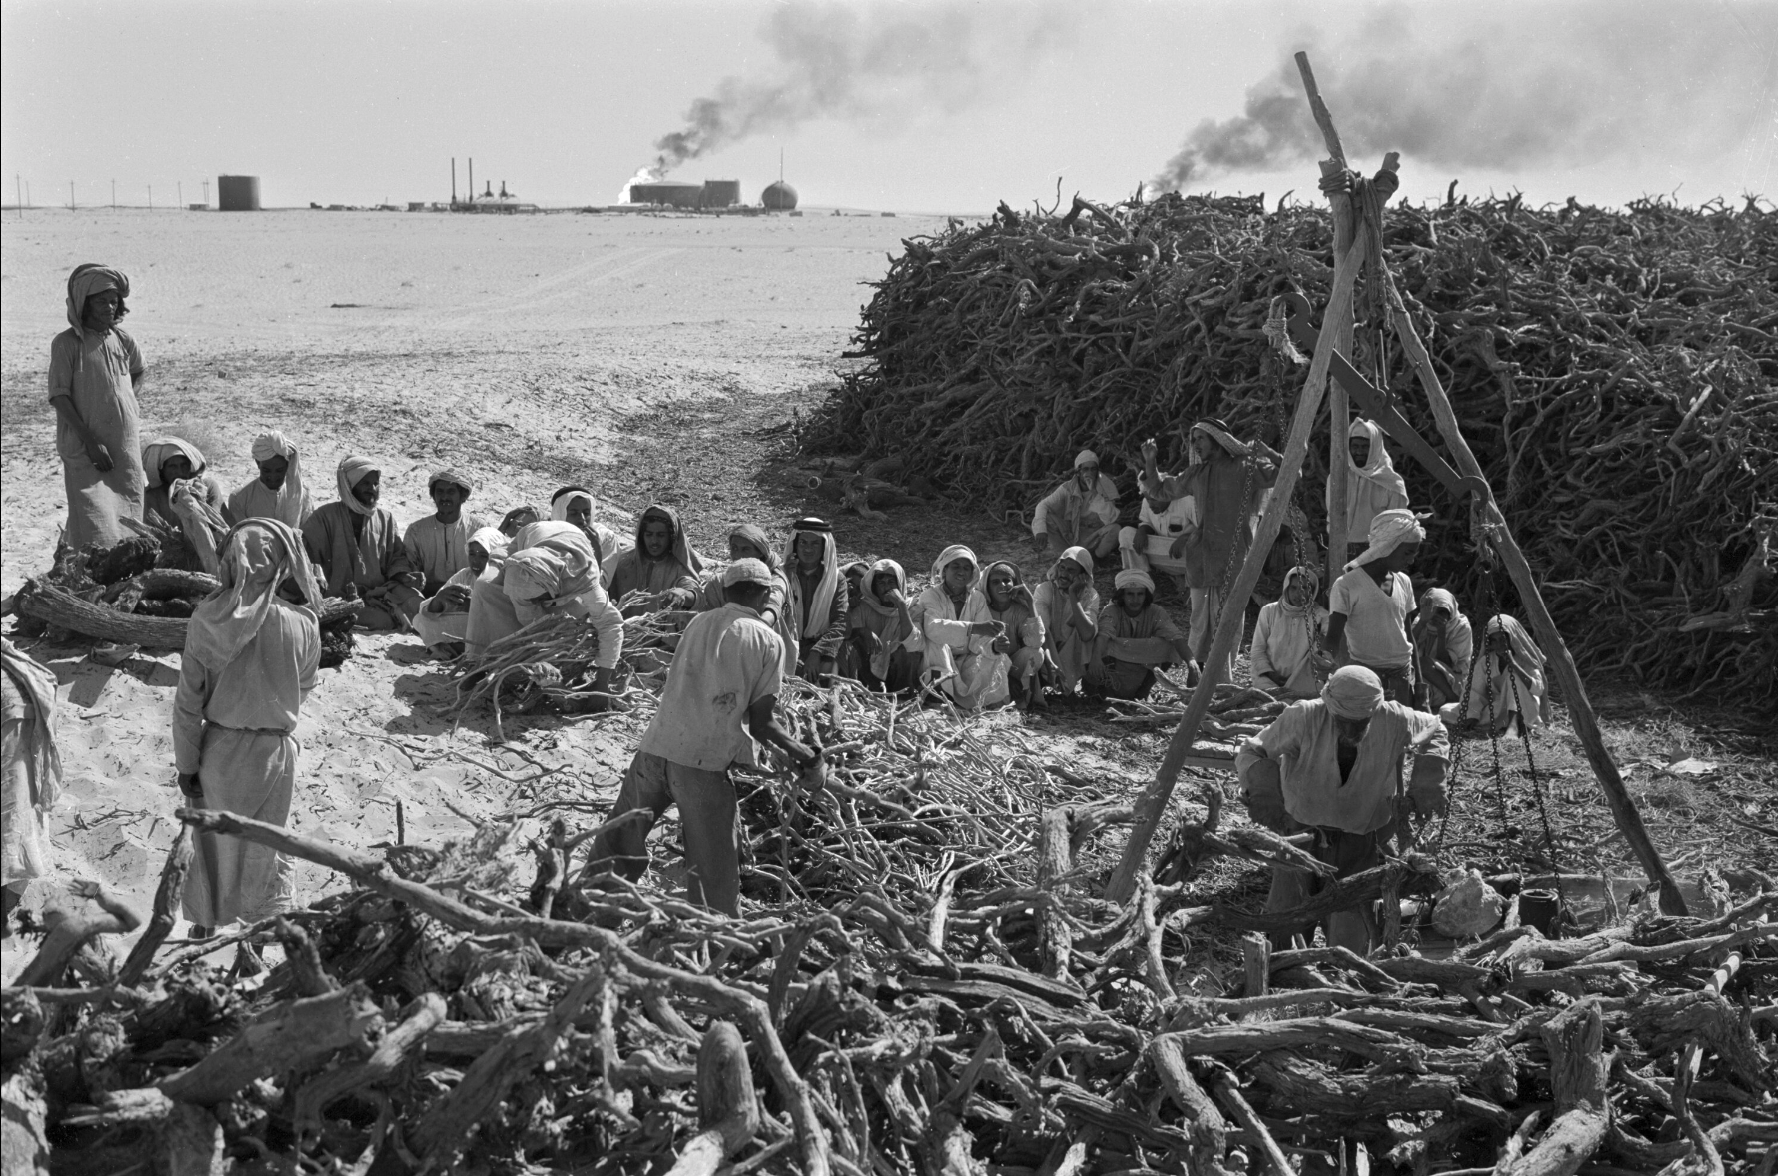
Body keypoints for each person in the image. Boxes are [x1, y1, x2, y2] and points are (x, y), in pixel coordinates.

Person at [585, 559, 821, 915]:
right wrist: (808, 755)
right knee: (713, 872)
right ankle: (710, 943)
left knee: (619, 839)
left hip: (655, 747)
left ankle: (586, 910)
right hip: (701, 765)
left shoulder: (698, 623)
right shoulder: (768, 642)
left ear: (726, 591)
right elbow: (762, 725)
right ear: (762, 595)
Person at [175, 521, 322, 936]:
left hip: (218, 751)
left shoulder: (208, 619)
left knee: (210, 844)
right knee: (265, 846)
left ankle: (204, 926)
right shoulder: (304, 623)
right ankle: (255, 937)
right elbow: (306, 684)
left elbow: (188, 701)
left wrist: (187, 763)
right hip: (276, 753)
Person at [1236, 666, 1450, 953]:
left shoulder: (1395, 718)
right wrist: (1264, 790)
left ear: (1375, 709)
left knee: (1350, 936)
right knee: (1284, 925)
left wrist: (1429, 778)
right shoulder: (1304, 716)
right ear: (1329, 705)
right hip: (1300, 838)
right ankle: (1281, 982)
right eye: (1343, 722)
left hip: (1360, 842)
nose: (1352, 731)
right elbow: (1252, 750)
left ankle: (1340, 987)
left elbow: (1436, 728)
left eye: (1361, 722)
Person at [1140, 421, 1281, 682]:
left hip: (1233, 553)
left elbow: (1290, 473)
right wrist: (1150, 461)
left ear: (1218, 440)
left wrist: (1268, 453)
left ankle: (1222, 680)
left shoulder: (1245, 468)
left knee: (1228, 618)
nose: (1196, 444)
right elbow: (1160, 490)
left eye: (1201, 438)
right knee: (1199, 619)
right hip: (1201, 555)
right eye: (1193, 440)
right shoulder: (1196, 474)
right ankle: (1196, 677)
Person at [49, 264, 146, 551]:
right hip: (86, 446)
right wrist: (90, 442)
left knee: (129, 517)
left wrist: (129, 401)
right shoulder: (66, 344)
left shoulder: (123, 339)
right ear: (84, 303)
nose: (109, 306)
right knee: (93, 517)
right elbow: (58, 396)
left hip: (124, 446)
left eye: (114, 300)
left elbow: (139, 370)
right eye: (101, 300)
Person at [465, 521, 624, 696]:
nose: (530, 602)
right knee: (484, 585)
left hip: (568, 551)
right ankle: (477, 663)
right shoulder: (519, 555)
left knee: (570, 614)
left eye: (535, 599)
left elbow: (611, 625)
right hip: (528, 541)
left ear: (551, 589)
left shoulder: (585, 580)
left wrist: (602, 684)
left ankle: (532, 669)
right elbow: (527, 612)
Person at [301, 456, 424, 631]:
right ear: (349, 486)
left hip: (379, 593)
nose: (372, 489)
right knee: (380, 620)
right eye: (365, 484)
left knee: (417, 602)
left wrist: (403, 576)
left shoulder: (386, 519)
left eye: (375, 483)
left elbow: (396, 558)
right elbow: (305, 555)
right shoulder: (324, 517)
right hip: (337, 596)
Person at [1320, 509, 1422, 704]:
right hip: (1365, 679)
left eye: (1414, 554)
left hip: (1402, 679)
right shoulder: (1347, 585)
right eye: (1408, 553)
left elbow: (1408, 637)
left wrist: (1420, 690)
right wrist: (1325, 657)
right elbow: (1333, 637)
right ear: (1387, 547)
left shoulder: (1403, 582)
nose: (1411, 560)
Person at [2, 639, 63, 926]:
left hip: (13, 712)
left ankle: (5, 907)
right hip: (20, 701)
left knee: (16, 809)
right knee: (19, 808)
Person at [696, 524, 798, 674]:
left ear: (760, 554)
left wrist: (751, 632)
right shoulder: (719, 584)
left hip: (764, 648)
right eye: (734, 548)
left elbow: (773, 605)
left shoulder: (775, 579)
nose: (738, 555)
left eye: (746, 550)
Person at [915, 546, 1005, 708]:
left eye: (966, 568)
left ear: (973, 573)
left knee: (996, 657)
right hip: (936, 658)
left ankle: (980, 702)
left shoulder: (977, 598)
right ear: (944, 570)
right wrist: (973, 628)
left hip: (964, 661)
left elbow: (980, 640)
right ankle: (938, 697)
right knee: (937, 644)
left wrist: (994, 646)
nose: (961, 572)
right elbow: (933, 628)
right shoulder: (930, 596)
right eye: (955, 566)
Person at [1086, 570, 1194, 700]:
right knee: (1103, 644)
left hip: (1140, 671)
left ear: (1146, 595)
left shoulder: (1156, 612)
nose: (1135, 599)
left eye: (1140, 594)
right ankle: (1108, 693)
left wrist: (1191, 663)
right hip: (1114, 671)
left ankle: (1143, 692)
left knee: (1169, 645)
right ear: (1122, 595)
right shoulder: (1111, 611)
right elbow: (1104, 634)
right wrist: (1096, 658)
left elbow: (1176, 637)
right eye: (1130, 594)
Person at [1441, 615, 1551, 736]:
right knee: (1445, 711)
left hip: (1525, 706)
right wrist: (1472, 715)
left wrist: (1514, 665)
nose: (1499, 645)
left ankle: (1513, 726)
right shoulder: (1487, 661)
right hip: (1500, 707)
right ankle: (1505, 723)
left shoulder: (1525, 659)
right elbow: (1474, 689)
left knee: (1513, 677)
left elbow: (1538, 689)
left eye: (1503, 640)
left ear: (1511, 638)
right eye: (1494, 640)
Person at [412, 526, 507, 655]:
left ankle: (457, 649)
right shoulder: (465, 575)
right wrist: (439, 601)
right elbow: (426, 609)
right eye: (472, 554)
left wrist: (474, 607)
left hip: (496, 632)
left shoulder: (503, 577)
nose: (475, 561)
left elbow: (506, 617)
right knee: (420, 620)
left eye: (483, 555)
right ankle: (463, 649)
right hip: (468, 628)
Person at [141, 437, 229, 569]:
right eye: (172, 467)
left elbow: (218, 525)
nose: (179, 472)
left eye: (184, 466)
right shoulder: (152, 497)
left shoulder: (208, 487)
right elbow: (149, 536)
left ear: (190, 467)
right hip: (170, 561)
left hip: (211, 556)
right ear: (162, 470)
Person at [1329, 419, 1410, 561]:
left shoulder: (1392, 484)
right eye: (1355, 446)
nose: (1359, 451)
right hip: (1338, 550)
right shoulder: (1338, 477)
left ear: (1375, 447)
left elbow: (1396, 529)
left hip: (1374, 554)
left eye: (1365, 446)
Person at [605, 504, 705, 616]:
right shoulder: (623, 561)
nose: (654, 541)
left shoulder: (678, 568)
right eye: (649, 535)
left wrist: (684, 594)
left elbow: (695, 594)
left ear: (671, 537)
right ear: (641, 536)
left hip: (661, 631)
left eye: (661, 535)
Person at [783, 518, 848, 683]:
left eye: (815, 544)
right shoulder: (782, 574)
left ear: (824, 547)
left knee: (829, 671)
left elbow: (841, 622)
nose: (808, 549)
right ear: (795, 545)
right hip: (787, 642)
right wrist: (787, 579)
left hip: (821, 644)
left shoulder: (835, 579)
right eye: (803, 543)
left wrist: (816, 652)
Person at [1030, 547, 1100, 698]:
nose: (1063, 574)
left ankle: (1071, 685)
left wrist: (1074, 596)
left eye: (1071, 571)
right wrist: (1050, 664)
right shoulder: (1045, 590)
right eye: (1062, 568)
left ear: (1082, 575)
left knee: (1086, 628)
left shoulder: (1090, 595)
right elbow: (1043, 633)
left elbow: (1088, 634)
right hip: (1048, 652)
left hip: (1071, 654)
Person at [403, 469, 487, 596]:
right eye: (440, 491)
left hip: (471, 601)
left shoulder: (478, 529)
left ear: (463, 496)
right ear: (433, 495)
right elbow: (410, 576)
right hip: (427, 600)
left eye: (451, 492)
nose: (444, 497)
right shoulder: (416, 531)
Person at [843, 559, 922, 693]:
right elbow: (848, 634)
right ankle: (865, 691)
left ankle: (904, 695)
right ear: (873, 587)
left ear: (900, 584)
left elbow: (914, 643)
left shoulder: (913, 609)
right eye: (881, 583)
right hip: (869, 674)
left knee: (906, 651)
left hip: (897, 673)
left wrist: (901, 606)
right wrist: (863, 632)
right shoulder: (864, 607)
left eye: (891, 582)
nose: (886, 588)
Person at [1251, 566, 1330, 699]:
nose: (1299, 594)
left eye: (1305, 588)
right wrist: (1270, 674)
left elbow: (1327, 652)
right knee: (1269, 701)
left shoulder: (1321, 616)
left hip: (1304, 680)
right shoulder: (1269, 611)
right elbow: (1257, 650)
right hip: (1268, 679)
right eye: (1294, 588)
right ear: (1286, 587)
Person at [977, 561, 1048, 708]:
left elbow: (1036, 641)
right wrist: (1007, 677)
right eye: (995, 582)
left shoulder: (1020, 610)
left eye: (1006, 580)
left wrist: (1030, 601)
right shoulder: (982, 610)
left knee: (1035, 653)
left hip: (1015, 667)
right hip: (990, 666)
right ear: (987, 587)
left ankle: (1023, 700)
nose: (1002, 585)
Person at [1032, 450, 1122, 562]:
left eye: (1093, 469)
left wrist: (1094, 493)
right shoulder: (1068, 488)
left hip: (1094, 536)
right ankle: (1067, 556)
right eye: (1085, 469)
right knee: (1046, 519)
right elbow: (1043, 505)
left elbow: (1110, 519)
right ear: (1078, 472)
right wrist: (1041, 531)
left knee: (1116, 529)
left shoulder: (1106, 487)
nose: (1089, 473)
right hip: (1072, 534)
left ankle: (1096, 558)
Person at [1118, 478, 1198, 588]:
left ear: (1167, 495)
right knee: (1126, 533)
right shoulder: (1147, 502)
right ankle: (1145, 582)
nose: (1151, 504)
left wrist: (1186, 538)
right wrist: (1143, 530)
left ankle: (1185, 580)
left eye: (1154, 500)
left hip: (1186, 556)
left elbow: (1207, 529)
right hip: (1164, 553)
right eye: (1148, 499)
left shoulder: (1187, 502)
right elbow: (1147, 522)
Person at [228, 431, 313, 529]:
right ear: (258, 463)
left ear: (288, 465)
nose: (273, 477)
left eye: (279, 470)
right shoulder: (240, 498)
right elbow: (241, 538)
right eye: (266, 470)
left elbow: (306, 535)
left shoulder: (302, 495)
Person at [1414, 587, 1474, 712]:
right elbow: (1407, 647)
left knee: (1424, 663)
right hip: (1424, 675)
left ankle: (1453, 697)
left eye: (1442, 612)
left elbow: (1448, 663)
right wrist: (1422, 623)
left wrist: (1442, 633)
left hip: (1452, 678)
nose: (1436, 616)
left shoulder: (1461, 626)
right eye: (1433, 610)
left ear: (1450, 612)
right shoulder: (1422, 620)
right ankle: (1440, 699)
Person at [550, 486, 622, 568]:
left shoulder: (605, 539)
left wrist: (597, 550)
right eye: (573, 513)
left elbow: (602, 580)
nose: (582, 519)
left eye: (586, 513)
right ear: (560, 515)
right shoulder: (546, 535)